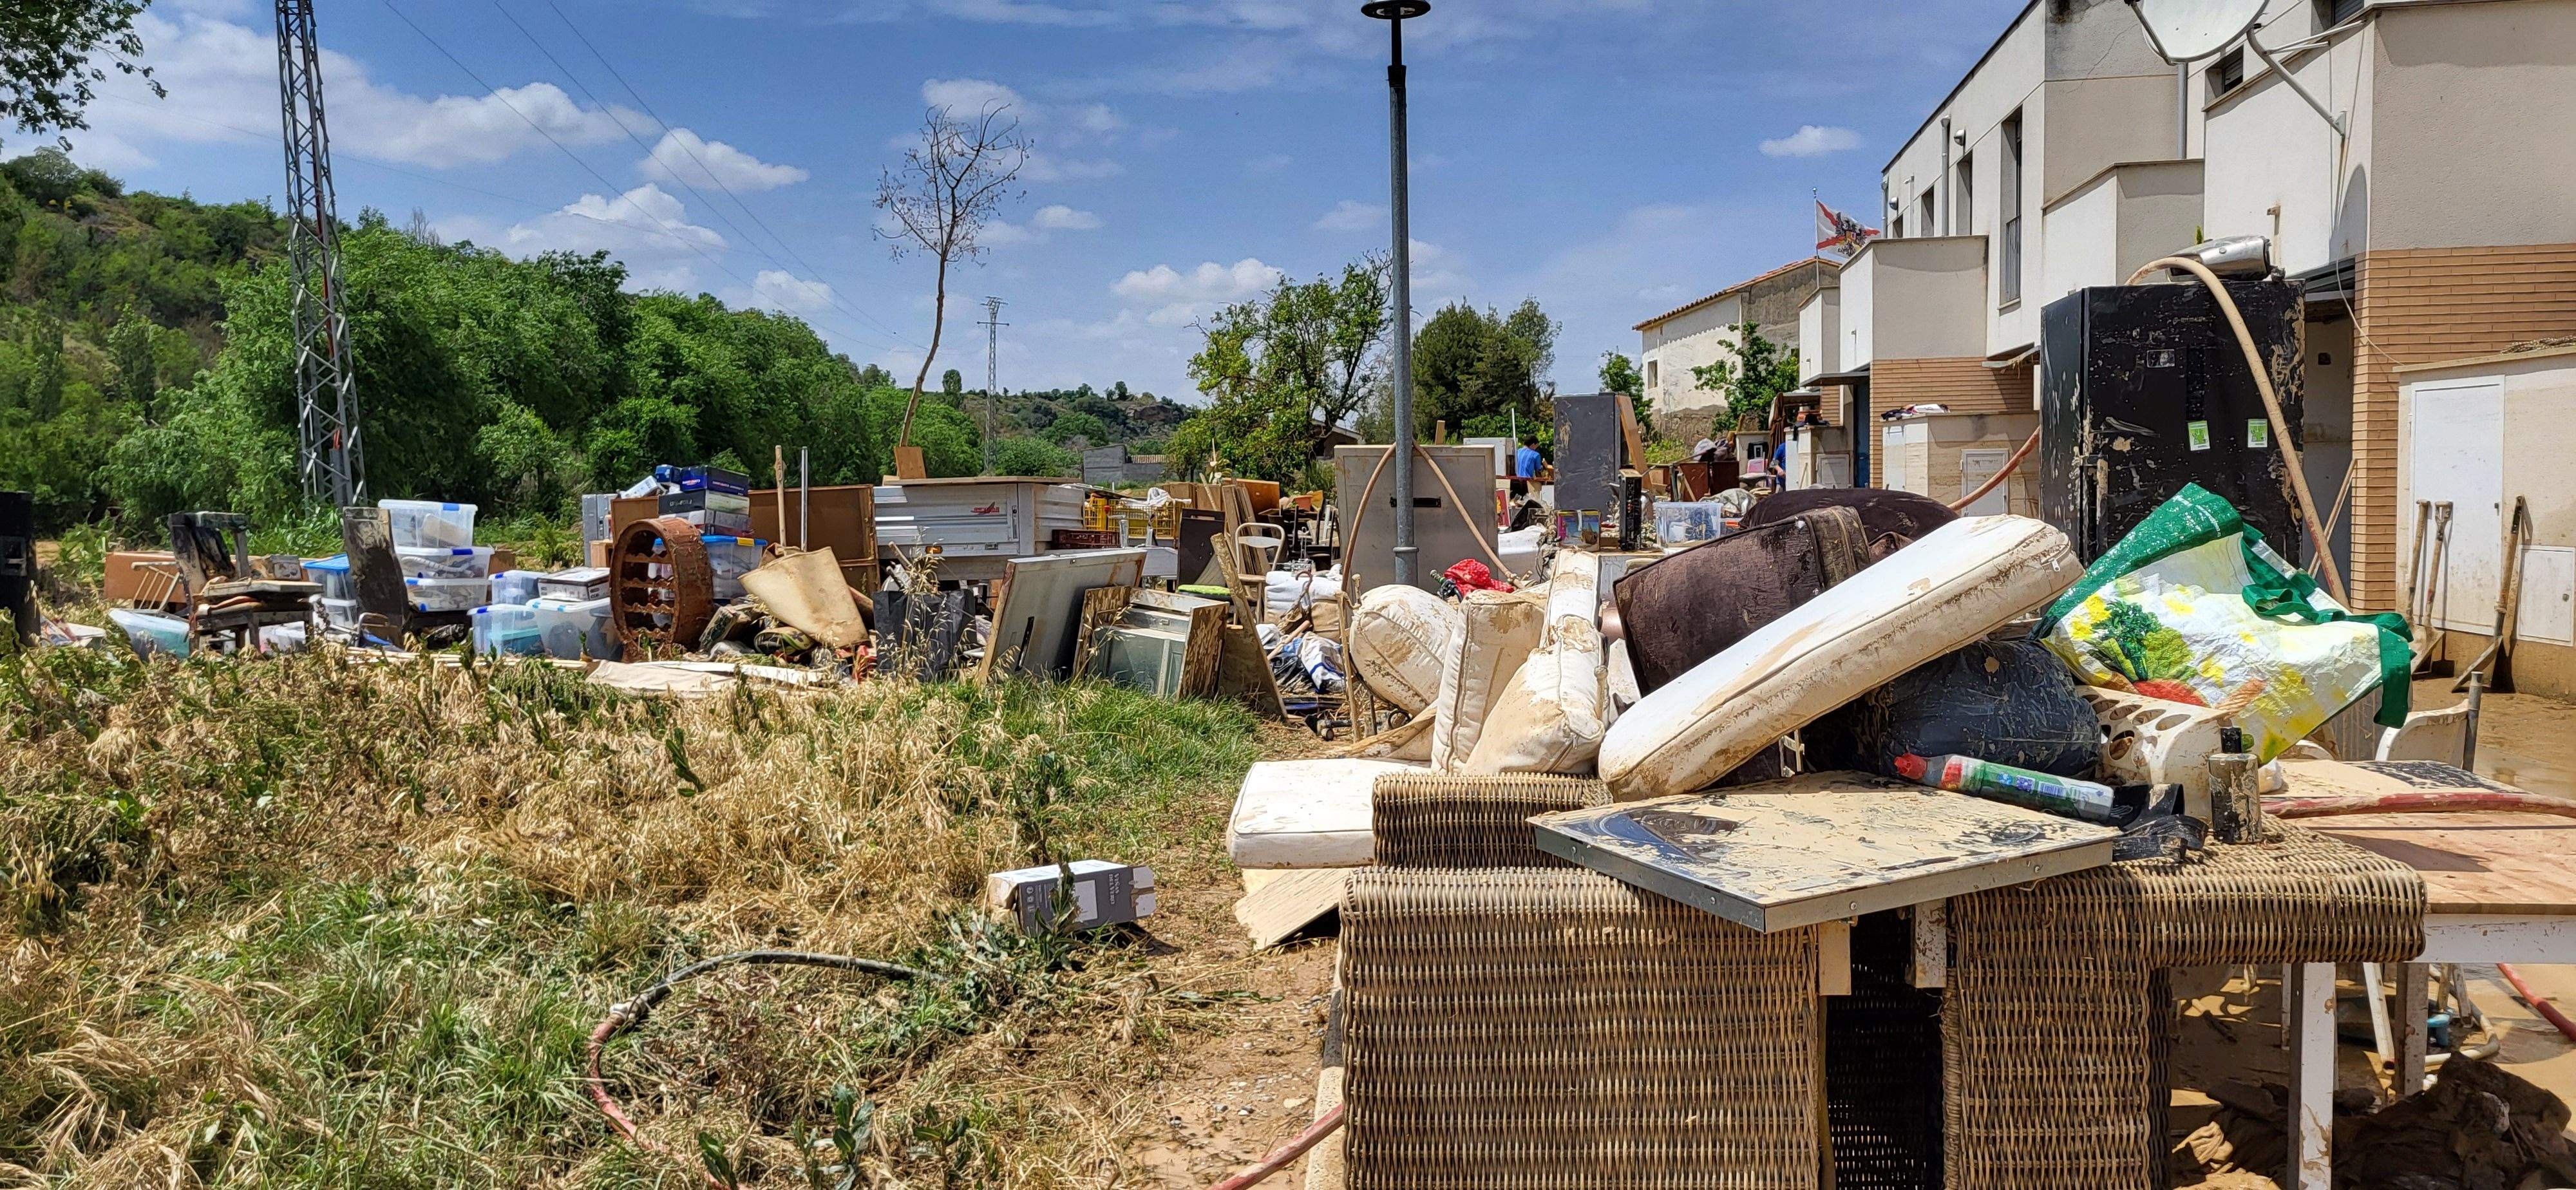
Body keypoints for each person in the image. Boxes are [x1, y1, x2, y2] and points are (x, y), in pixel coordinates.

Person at [1511, 432, 1546, 498]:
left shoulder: (1517, 452)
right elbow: (1538, 471)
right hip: (1527, 485)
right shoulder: (1536, 455)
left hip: (1514, 483)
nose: (1536, 449)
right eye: (1536, 447)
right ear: (1533, 445)